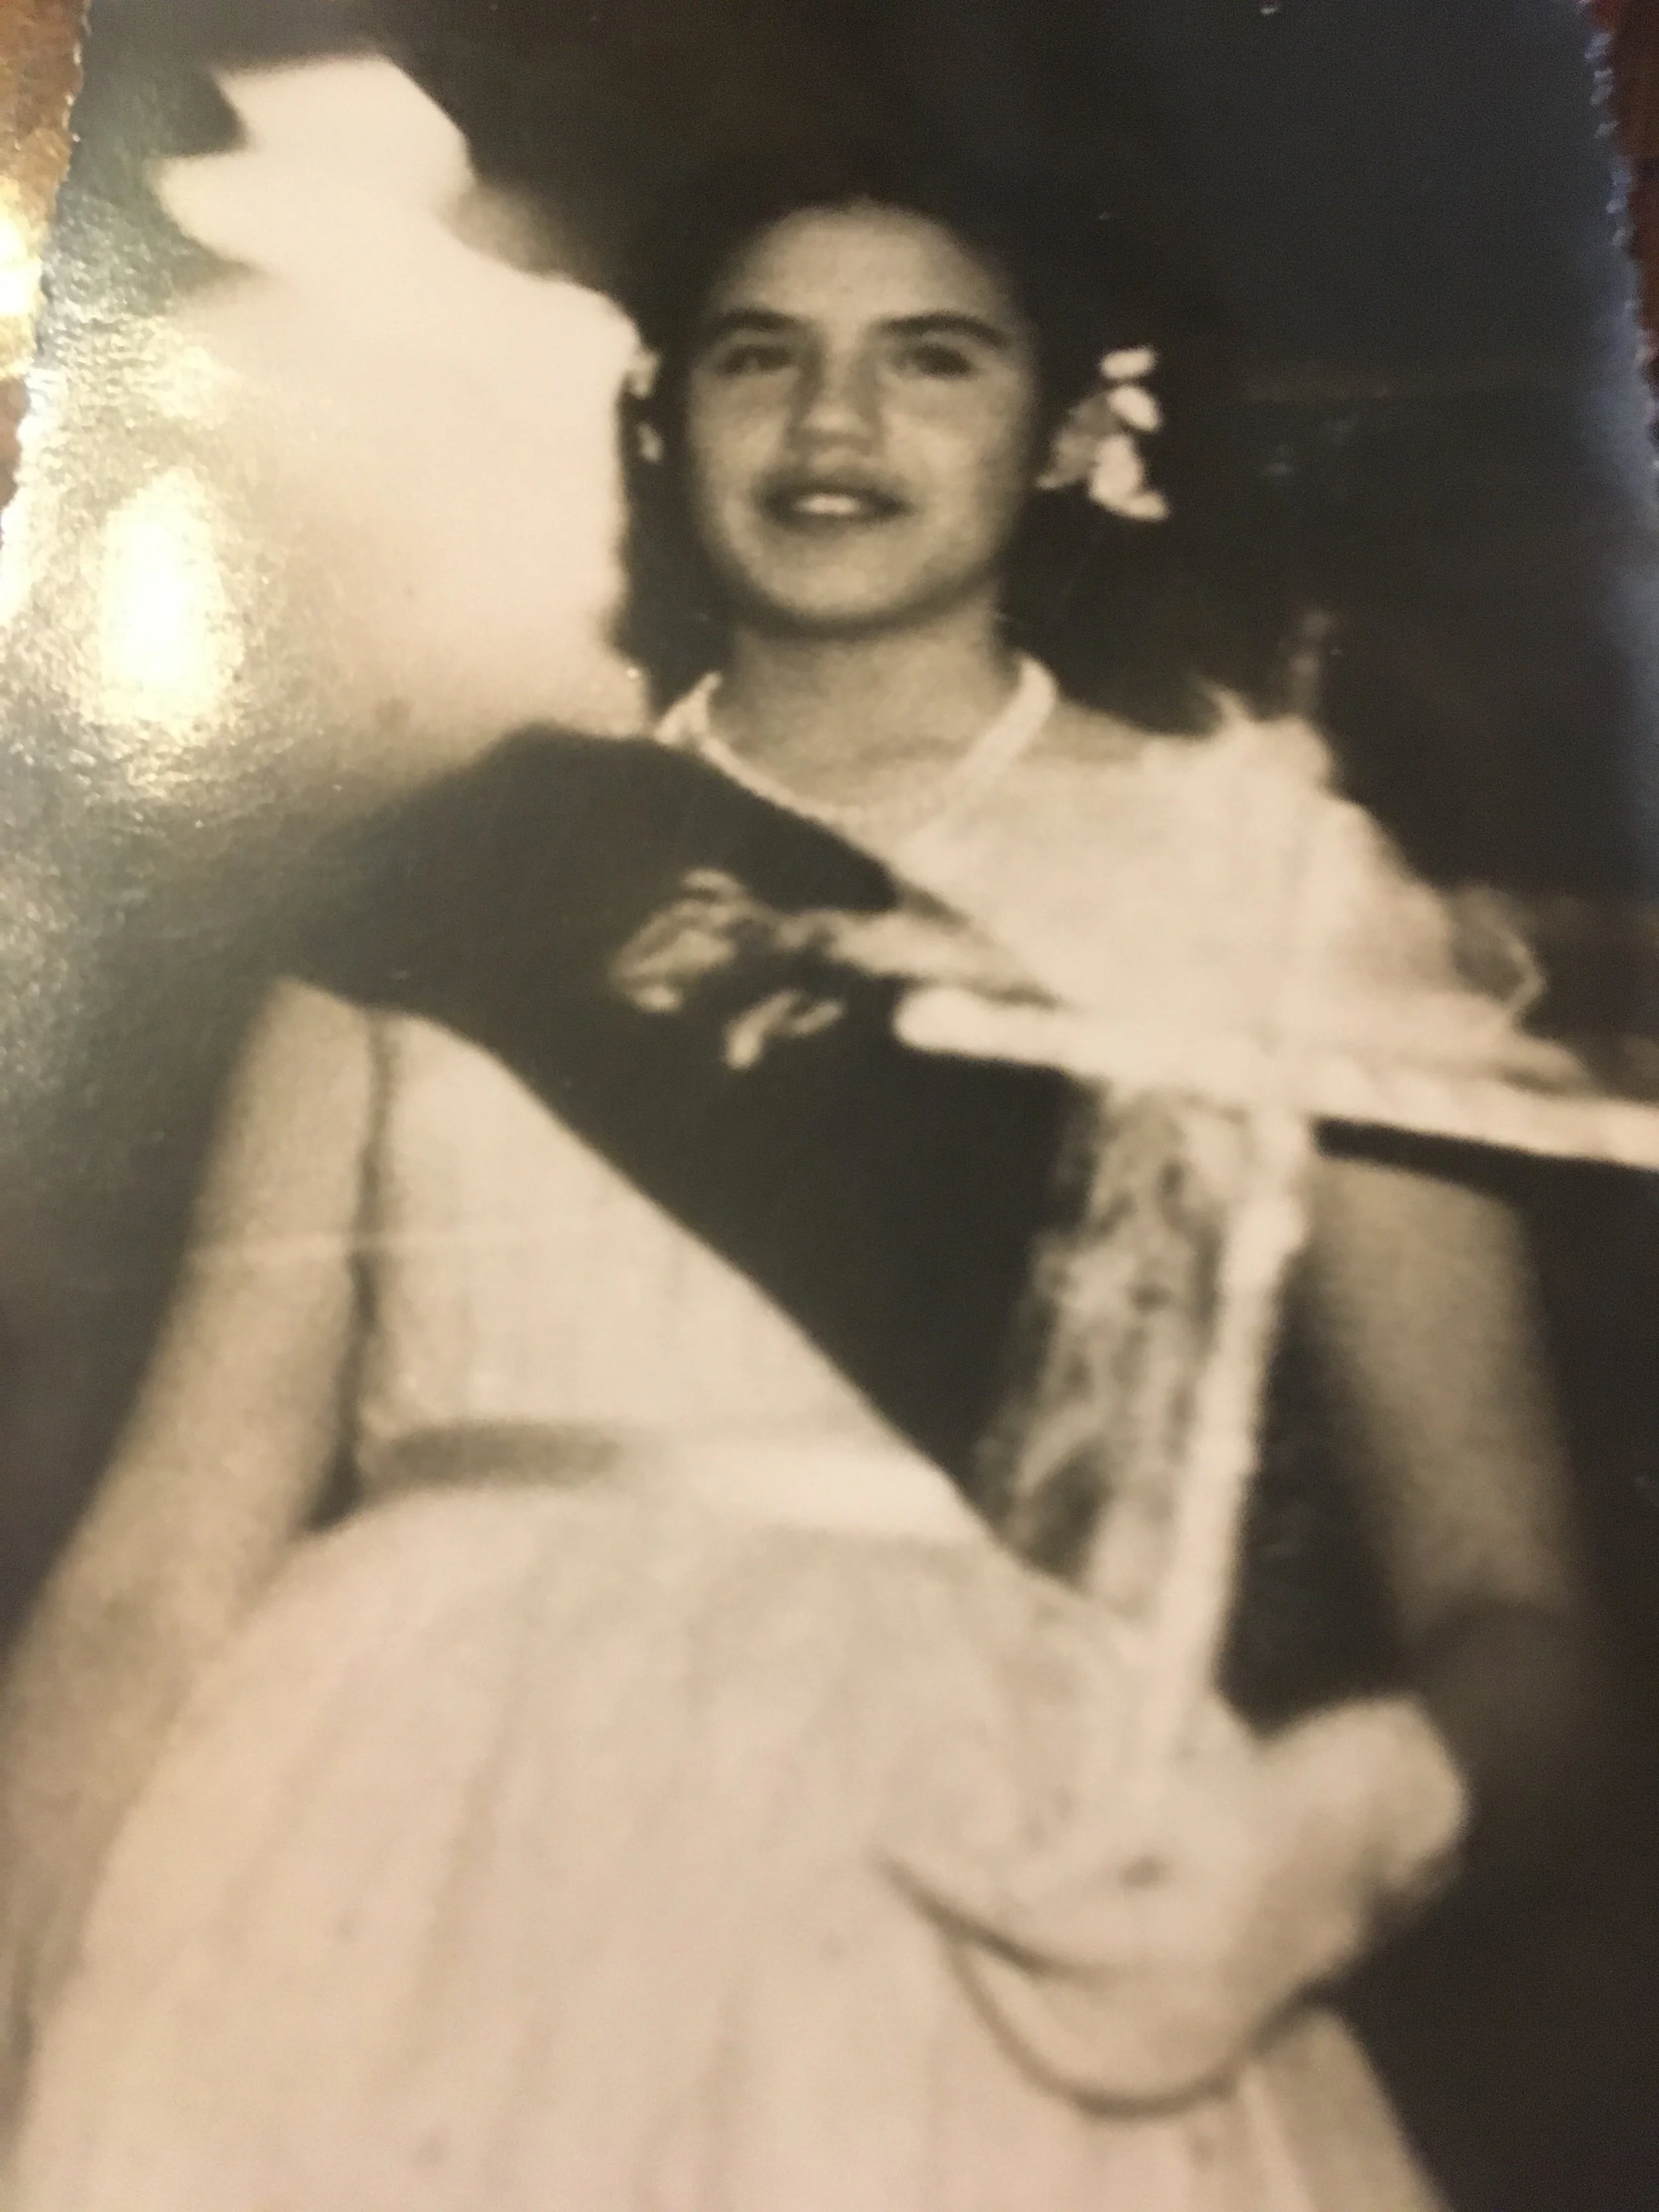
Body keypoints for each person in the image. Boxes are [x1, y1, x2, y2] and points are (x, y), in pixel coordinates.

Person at [0, 134, 1604, 2211]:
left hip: (982, 1892)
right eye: (758, 356)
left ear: (1067, 432)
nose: (831, 422)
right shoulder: (455, 876)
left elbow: (1518, 1619)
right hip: (387, 1872)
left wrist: (1343, 1825)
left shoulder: (1285, 888)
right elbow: (158, 1571)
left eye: (932, 358)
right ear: (664, 420)